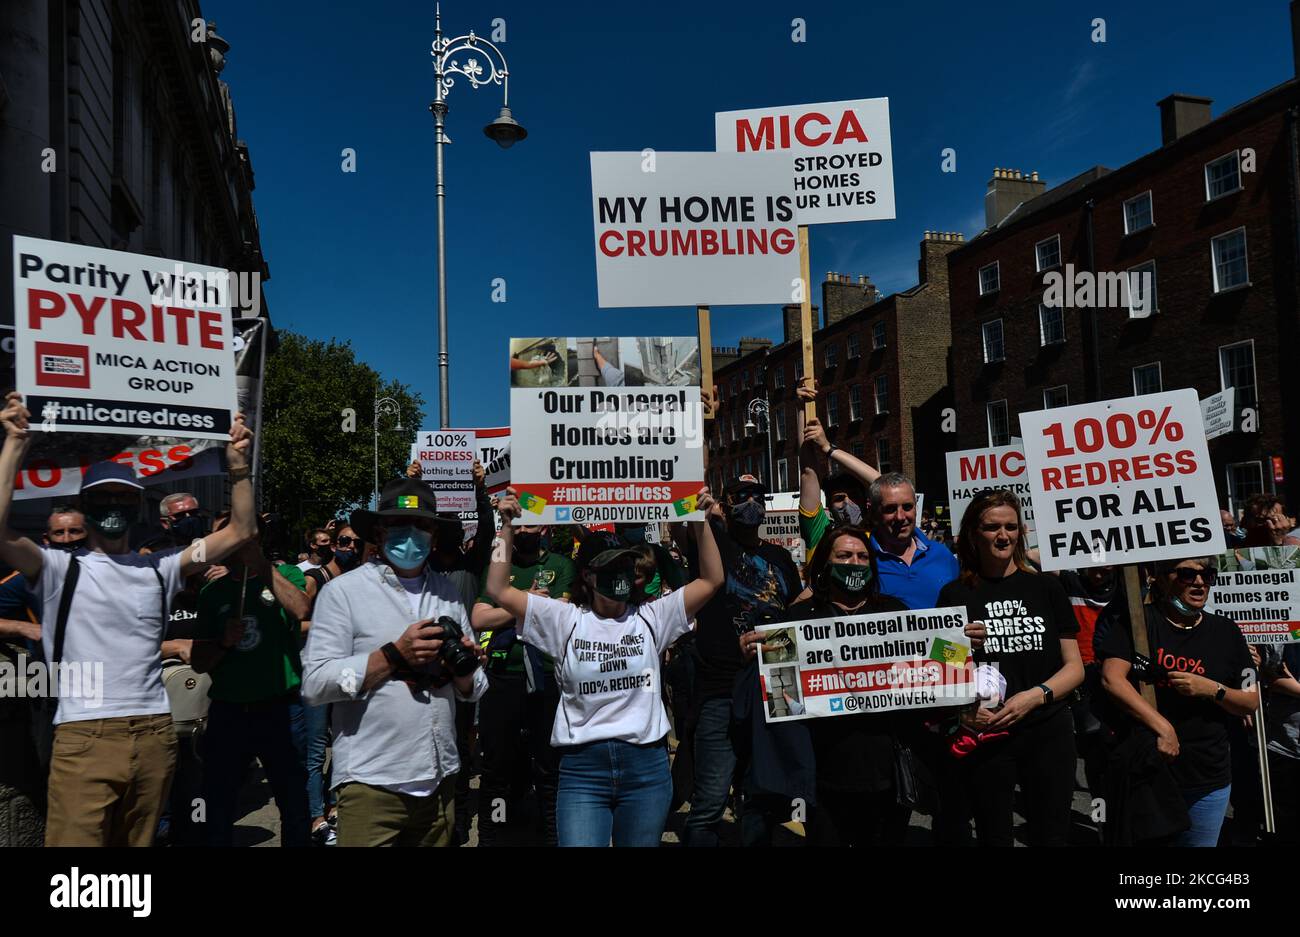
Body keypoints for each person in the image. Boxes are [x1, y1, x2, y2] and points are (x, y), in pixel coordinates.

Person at [0, 391, 257, 846]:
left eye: (124, 497)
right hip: (85, 735)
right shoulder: (59, 567)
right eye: (104, 498)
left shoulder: (162, 567)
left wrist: (238, 465)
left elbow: (241, 531)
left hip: (155, 733)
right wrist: (15, 443)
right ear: (87, 505)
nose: (114, 506)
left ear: (138, 506)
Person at [487, 488, 724, 847]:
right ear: (587, 576)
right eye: (610, 566)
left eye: (626, 566)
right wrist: (505, 527)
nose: (620, 574)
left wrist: (701, 523)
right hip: (583, 771)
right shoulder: (564, 620)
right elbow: (497, 589)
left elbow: (711, 580)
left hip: (646, 767)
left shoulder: (652, 617)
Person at [301, 477, 488, 847]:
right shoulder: (344, 593)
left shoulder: (447, 593)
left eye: (422, 525)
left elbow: (475, 687)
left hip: (440, 783)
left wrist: (464, 670)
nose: (412, 535)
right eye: (401, 525)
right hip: (372, 784)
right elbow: (315, 684)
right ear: (381, 532)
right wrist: (392, 655)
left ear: (434, 534)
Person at [936, 488, 1084, 846]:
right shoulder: (954, 595)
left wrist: (1035, 697)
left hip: (1048, 730)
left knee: (1052, 834)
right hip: (989, 734)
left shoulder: (1047, 587)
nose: (1003, 536)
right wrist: (958, 650)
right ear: (973, 533)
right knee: (993, 834)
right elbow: (943, 673)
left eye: (1011, 527)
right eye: (992, 527)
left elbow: (1075, 668)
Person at [1097, 557, 1258, 846]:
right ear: (1160, 578)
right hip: (1151, 771)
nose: (1199, 582)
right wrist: (1163, 727)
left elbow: (1250, 701)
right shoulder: (1138, 622)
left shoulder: (1227, 631)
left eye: (1206, 575)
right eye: (1187, 574)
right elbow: (1112, 679)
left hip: (1208, 776)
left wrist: (1213, 689)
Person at [683, 475, 802, 847]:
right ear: (725, 502)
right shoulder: (712, 544)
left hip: (777, 686)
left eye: (757, 496)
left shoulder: (780, 557)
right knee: (710, 801)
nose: (751, 502)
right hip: (722, 687)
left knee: (763, 799)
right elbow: (685, 511)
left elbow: (797, 613)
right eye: (741, 496)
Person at [191, 514, 312, 846]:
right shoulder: (212, 593)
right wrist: (223, 643)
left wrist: (262, 567)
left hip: (280, 707)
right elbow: (200, 662)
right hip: (229, 710)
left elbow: (301, 609)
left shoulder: (284, 575)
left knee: (293, 801)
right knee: (218, 802)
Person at [471, 521, 574, 846]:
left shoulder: (560, 565)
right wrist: (528, 600)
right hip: (502, 678)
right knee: (496, 770)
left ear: (543, 526)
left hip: (545, 678)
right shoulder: (498, 567)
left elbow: (560, 614)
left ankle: (551, 835)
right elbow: (479, 618)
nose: (525, 530)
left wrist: (508, 604)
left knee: (548, 769)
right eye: (518, 524)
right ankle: (494, 835)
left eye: (531, 523)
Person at [300, 523, 364, 844]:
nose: (350, 547)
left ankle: (332, 804)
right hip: (318, 673)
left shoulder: (358, 580)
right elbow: (296, 621)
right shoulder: (316, 579)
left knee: (343, 744)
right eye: (343, 541)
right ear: (333, 544)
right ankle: (315, 818)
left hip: (347, 673)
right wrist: (333, 624)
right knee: (314, 752)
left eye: (355, 542)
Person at [796, 382, 879, 562]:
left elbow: (881, 484)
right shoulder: (819, 532)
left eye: (854, 496)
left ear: (866, 502)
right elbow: (808, 473)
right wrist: (803, 407)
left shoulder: (878, 534)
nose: (847, 503)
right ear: (828, 505)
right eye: (839, 498)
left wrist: (828, 448)